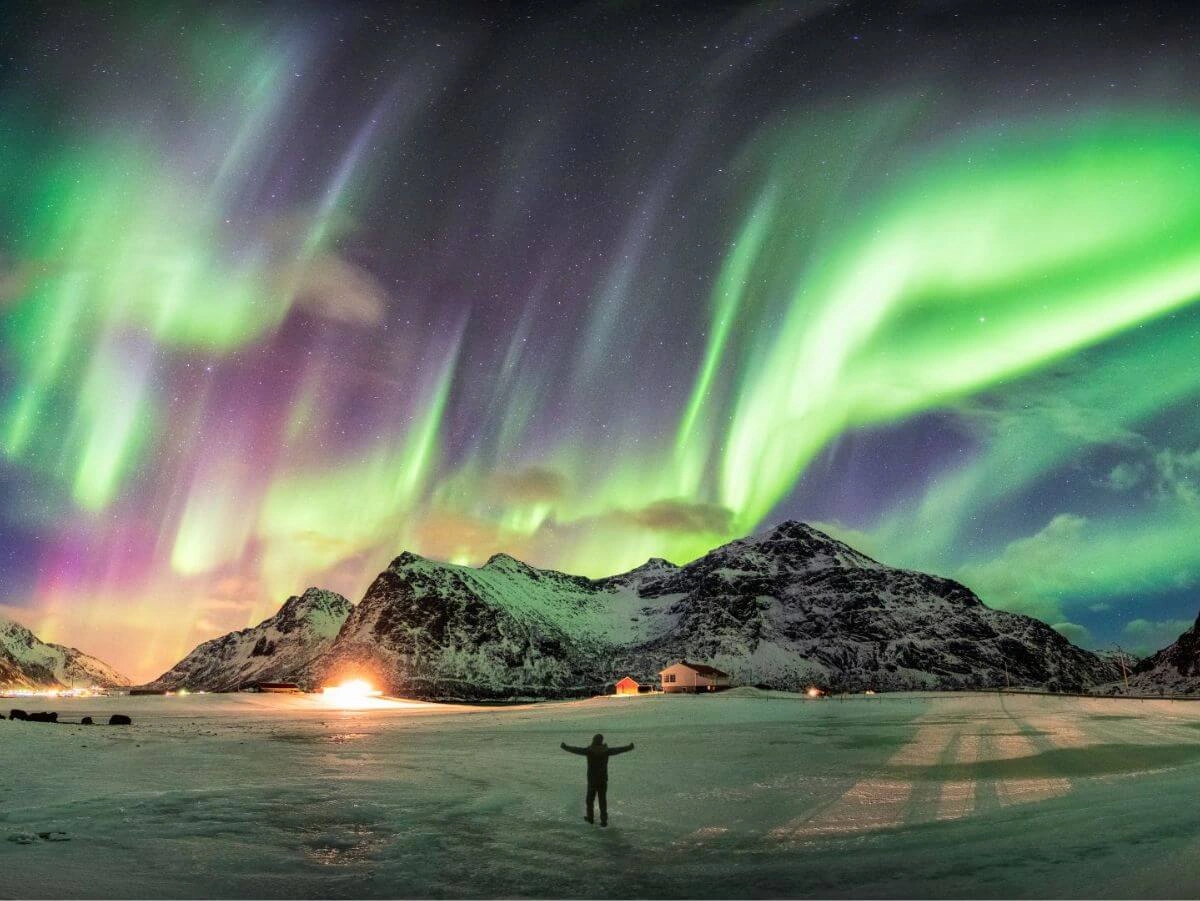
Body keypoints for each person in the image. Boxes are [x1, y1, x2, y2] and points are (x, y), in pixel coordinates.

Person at [560, 733, 634, 826]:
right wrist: (629, 747)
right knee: (602, 800)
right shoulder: (606, 751)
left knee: (589, 800)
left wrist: (565, 747)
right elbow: (618, 750)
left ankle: (590, 819)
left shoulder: (589, 751)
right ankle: (604, 821)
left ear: (594, 740)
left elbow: (576, 750)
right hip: (603, 779)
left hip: (592, 780)